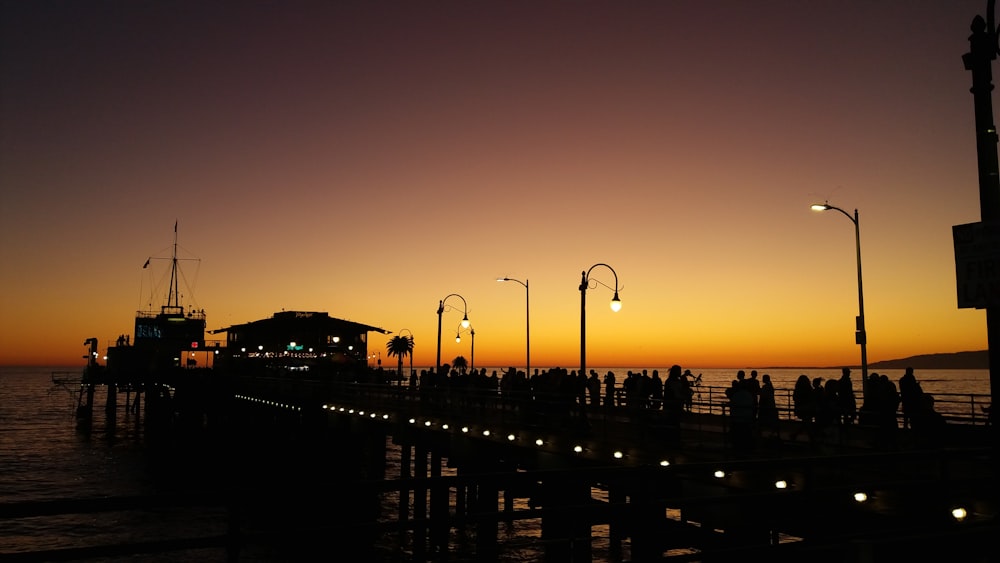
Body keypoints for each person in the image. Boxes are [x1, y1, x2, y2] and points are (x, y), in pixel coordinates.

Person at [757, 373, 780, 440]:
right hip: (771, 405)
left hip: (765, 406)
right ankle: (774, 433)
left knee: (761, 421)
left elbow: (763, 396)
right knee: (773, 421)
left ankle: (759, 434)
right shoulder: (770, 386)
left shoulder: (765, 387)